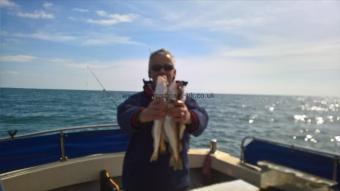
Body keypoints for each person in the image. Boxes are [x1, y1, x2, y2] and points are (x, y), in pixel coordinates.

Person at [117, 48, 208, 191]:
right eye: (156, 67)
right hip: (137, 182)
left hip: (176, 183)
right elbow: (123, 116)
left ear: (174, 72)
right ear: (149, 73)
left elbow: (202, 119)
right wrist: (143, 114)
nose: (162, 71)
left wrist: (189, 117)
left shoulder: (185, 101)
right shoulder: (137, 100)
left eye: (168, 67)